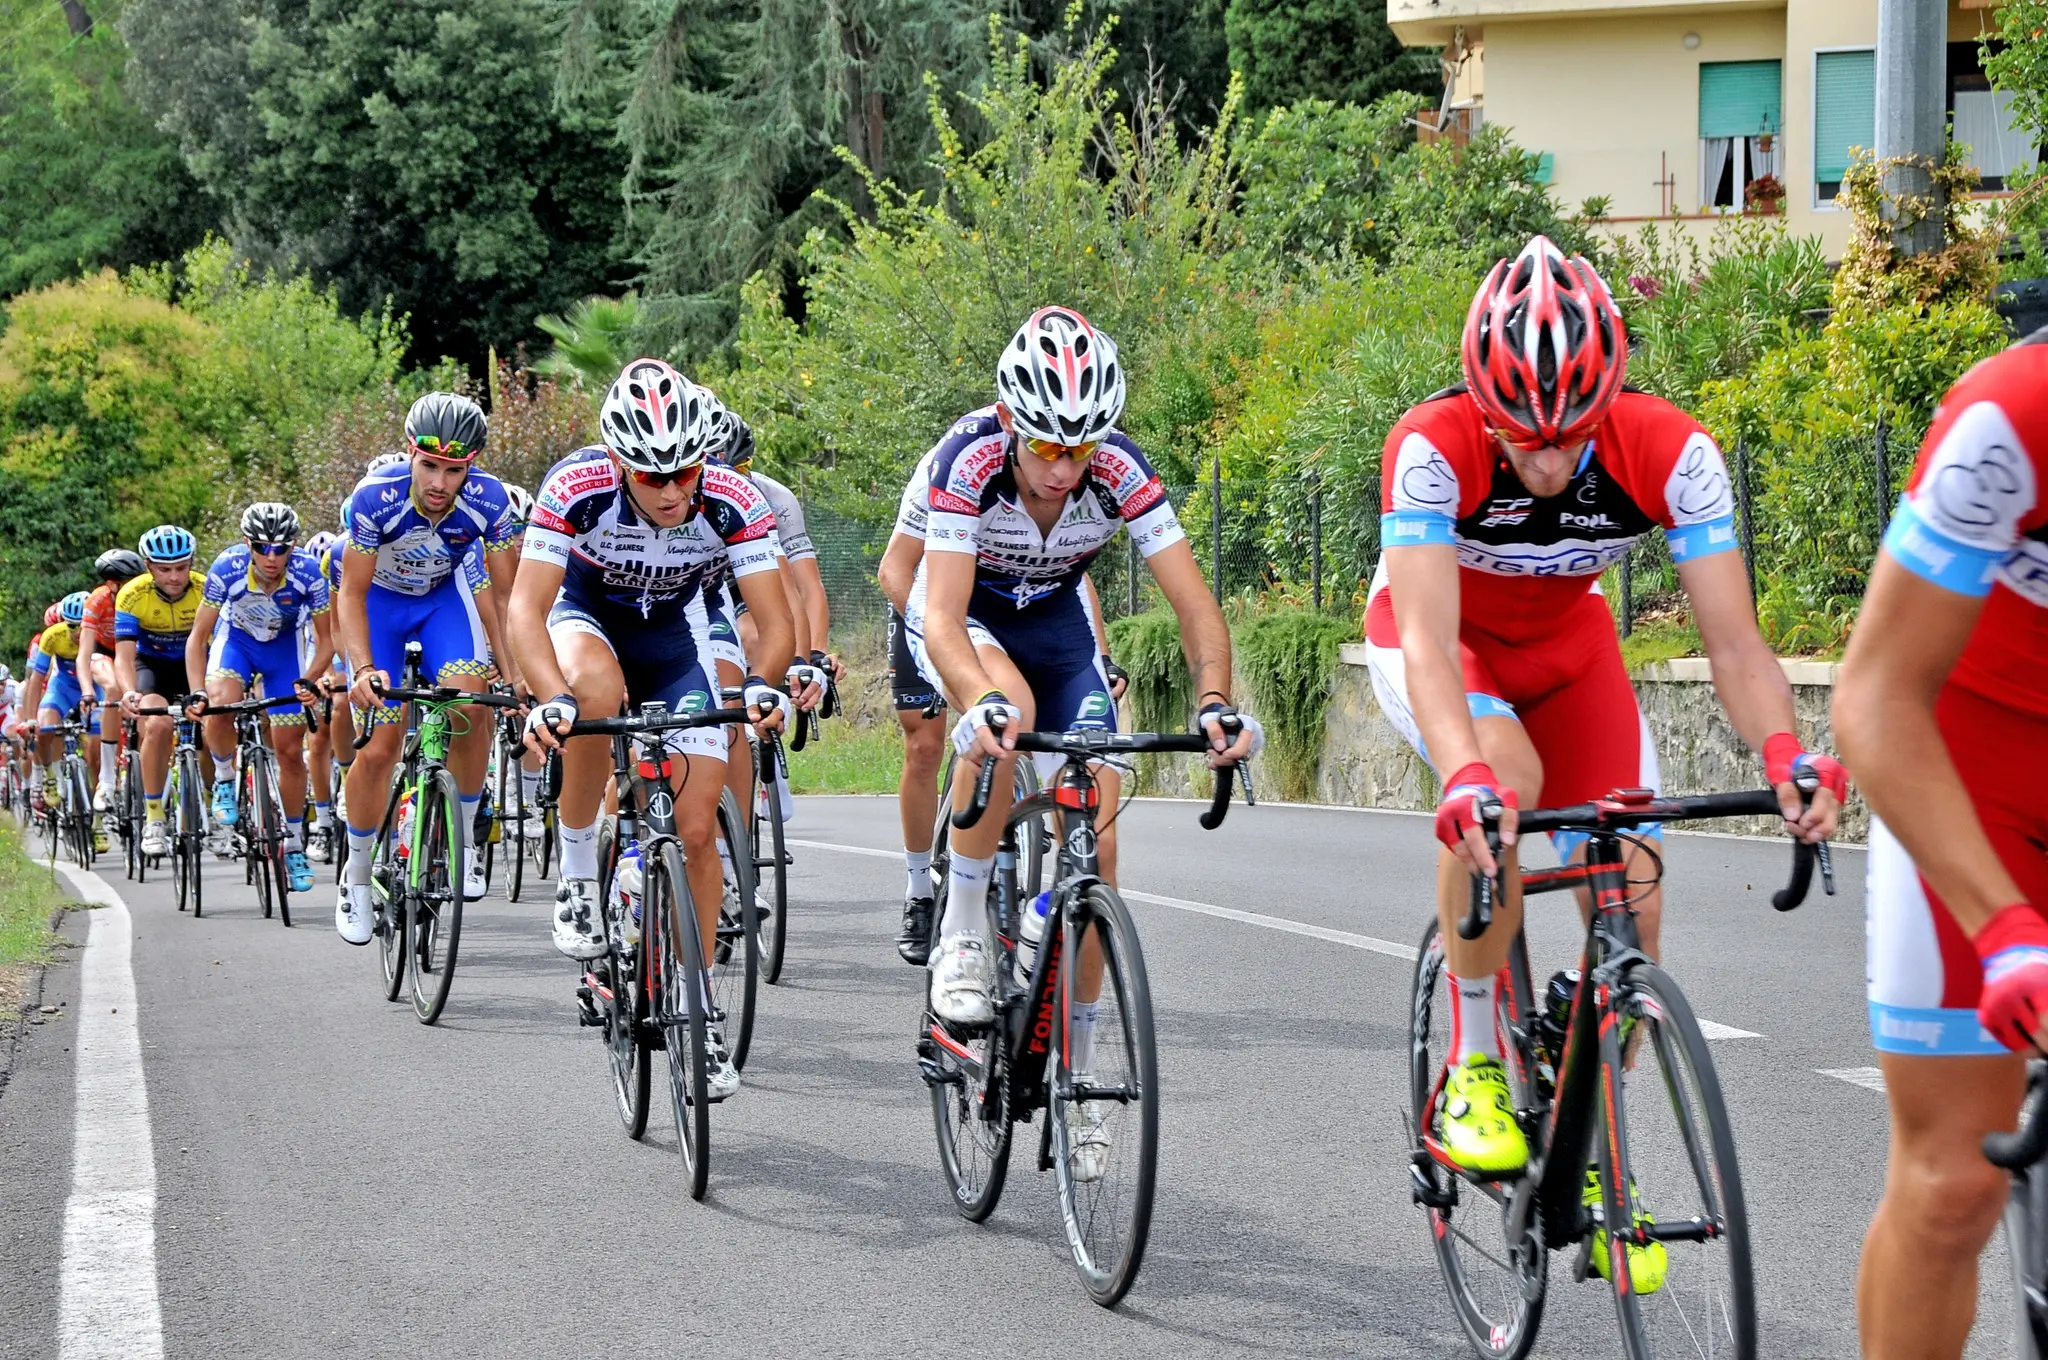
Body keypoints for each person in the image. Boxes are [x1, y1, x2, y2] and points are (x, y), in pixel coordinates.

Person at [1368, 235, 1843, 1291]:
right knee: (1505, 783)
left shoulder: (1672, 453)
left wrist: (1781, 752)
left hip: (1569, 646)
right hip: (1443, 642)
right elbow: (1430, 648)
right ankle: (1475, 1062)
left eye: (1566, 438)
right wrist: (1460, 777)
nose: (1541, 461)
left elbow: (1733, 644)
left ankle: (1584, 1133)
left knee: (1631, 887)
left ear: (1608, 400)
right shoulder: (1430, 448)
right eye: (1519, 439)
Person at [909, 305, 1261, 1180]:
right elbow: (940, 613)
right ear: (1010, 424)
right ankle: (960, 930)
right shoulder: (968, 462)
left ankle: (1084, 1064)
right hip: (973, 622)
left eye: (1082, 450)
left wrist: (1215, 700)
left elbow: (1194, 605)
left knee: (1099, 824)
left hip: (1061, 625)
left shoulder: (1121, 470)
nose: (1066, 469)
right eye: (1048, 449)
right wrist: (978, 701)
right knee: (1007, 716)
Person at [1835, 333, 2048, 1359]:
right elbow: (1872, 694)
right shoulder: (2007, 416)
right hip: (1972, 775)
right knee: (1954, 1181)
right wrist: (2000, 926)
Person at [511, 358, 795, 1102]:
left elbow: (774, 617)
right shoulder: (575, 486)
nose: (671, 491)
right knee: (593, 695)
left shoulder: (730, 497)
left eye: (684, 473)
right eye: (650, 477)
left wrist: (764, 684)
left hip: (672, 635)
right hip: (585, 617)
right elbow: (524, 608)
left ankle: (697, 1010)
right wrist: (548, 697)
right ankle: (578, 875)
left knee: (697, 829)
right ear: (617, 462)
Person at [877, 441, 1127, 964]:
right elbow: (897, 570)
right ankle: (921, 887)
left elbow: (1073, 581)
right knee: (925, 745)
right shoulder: (946, 468)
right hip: (939, 612)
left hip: (1030, 623)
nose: (1056, 463)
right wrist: (947, 654)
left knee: (1034, 721)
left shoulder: (1063, 493)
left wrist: (1101, 660)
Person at [333, 394, 523, 943]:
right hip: (381, 609)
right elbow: (353, 593)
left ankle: (463, 842)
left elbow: (508, 595)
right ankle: (359, 871)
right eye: (429, 466)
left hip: (444, 602)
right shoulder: (375, 498)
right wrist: (364, 667)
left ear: (474, 465)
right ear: (410, 454)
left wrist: (516, 677)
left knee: (469, 705)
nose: (440, 483)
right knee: (381, 745)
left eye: (455, 470)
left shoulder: (489, 503)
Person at [186, 503, 335, 893]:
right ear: (247, 544)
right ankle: (223, 776)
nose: (271, 557)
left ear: (293, 546)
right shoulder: (226, 568)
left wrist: (310, 679)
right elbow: (197, 639)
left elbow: (326, 640)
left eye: (281, 548)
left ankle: (294, 843)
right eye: (262, 547)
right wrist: (197, 690)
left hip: (284, 652)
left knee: (288, 752)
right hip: (236, 644)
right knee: (219, 706)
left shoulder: (307, 574)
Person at [115, 526, 205, 858]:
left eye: (181, 567)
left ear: (191, 563)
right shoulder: (132, 594)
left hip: (193, 663)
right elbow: (124, 657)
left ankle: (213, 804)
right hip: (150, 665)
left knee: (213, 724)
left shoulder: (204, 588)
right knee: (156, 724)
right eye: (164, 569)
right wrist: (129, 693)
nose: (174, 577)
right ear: (149, 567)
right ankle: (154, 816)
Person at [77, 547, 143, 817]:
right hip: (105, 653)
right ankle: (106, 779)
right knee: (115, 690)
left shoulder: (142, 595)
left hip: (134, 652)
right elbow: (83, 654)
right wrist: (87, 691)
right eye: (121, 583)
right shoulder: (98, 601)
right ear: (110, 584)